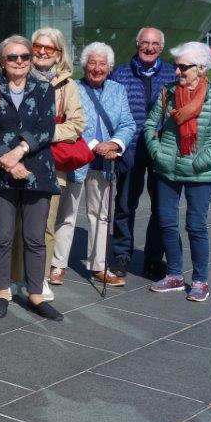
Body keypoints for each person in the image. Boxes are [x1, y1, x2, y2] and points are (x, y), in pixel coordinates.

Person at [0, 35, 62, 321]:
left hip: (38, 172)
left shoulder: (44, 88)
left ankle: (35, 294)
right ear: (2, 61)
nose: (20, 61)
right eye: (13, 57)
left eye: (25, 56)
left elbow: (46, 128)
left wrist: (19, 150)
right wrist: (9, 162)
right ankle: (2, 291)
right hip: (1, 173)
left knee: (35, 238)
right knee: (2, 236)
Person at [145, 42, 211, 302]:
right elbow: (150, 125)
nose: (177, 72)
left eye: (183, 67)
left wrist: (199, 161)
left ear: (201, 68)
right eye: (176, 66)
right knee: (166, 222)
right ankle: (174, 275)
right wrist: (157, 152)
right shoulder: (168, 93)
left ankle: (200, 280)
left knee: (196, 225)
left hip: (200, 172)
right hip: (167, 168)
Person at [48, 43, 136, 286]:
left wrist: (116, 144)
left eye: (102, 64)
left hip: (105, 162)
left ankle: (99, 266)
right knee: (67, 213)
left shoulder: (118, 90)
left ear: (110, 67)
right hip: (76, 160)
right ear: (84, 65)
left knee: (101, 215)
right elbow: (69, 122)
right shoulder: (72, 87)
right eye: (92, 63)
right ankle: (57, 265)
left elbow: (128, 123)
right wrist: (96, 143)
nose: (97, 68)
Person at [10, 27, 84, 300]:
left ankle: (38, 279)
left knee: (44, 225)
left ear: (59, 54)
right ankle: (16, 276)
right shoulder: (16, 77)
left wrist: (43, 133)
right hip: (14, 160)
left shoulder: (67, 85)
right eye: (37, 46)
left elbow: (76, 125)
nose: (41, 51)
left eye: (48, 48)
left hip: (50, 163)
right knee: (16, 223)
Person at [109, 27, 178, 279]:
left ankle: (153, 258)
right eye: (144, 43)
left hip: (162, 151)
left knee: (161, 206)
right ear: (137, 44)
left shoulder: (172, 74)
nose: (149, 48)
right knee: (125, 204)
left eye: (155, 44)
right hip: (131, 148)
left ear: (161, 47)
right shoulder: (120, 74)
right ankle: (121, 254)